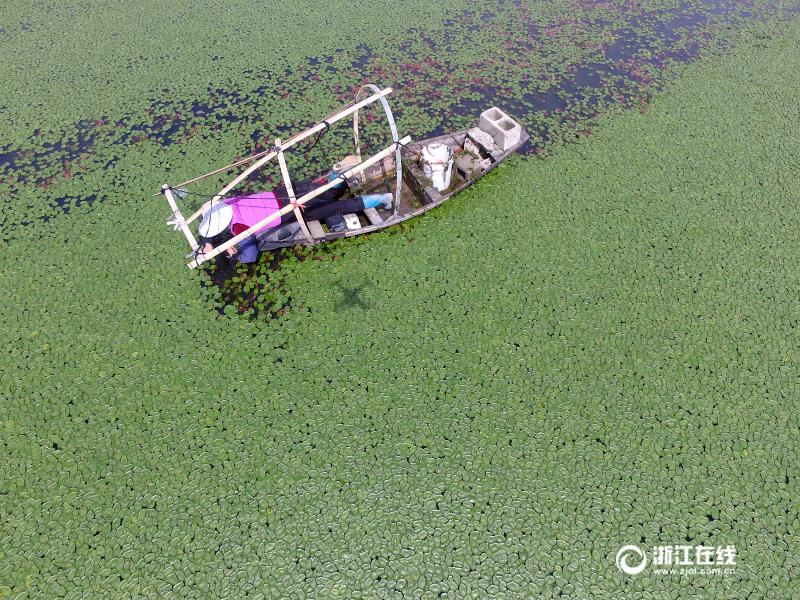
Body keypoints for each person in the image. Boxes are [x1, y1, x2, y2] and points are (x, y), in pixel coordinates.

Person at [196, 169, 391, 263]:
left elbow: (251, 256)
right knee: (326, 191)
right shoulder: (232, 201)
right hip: (287, 191)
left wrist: (234, 253)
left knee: (335, 207)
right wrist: (209, 242)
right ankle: (336, 176)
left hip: (296, 208)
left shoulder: (239, 228)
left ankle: (382, 198)